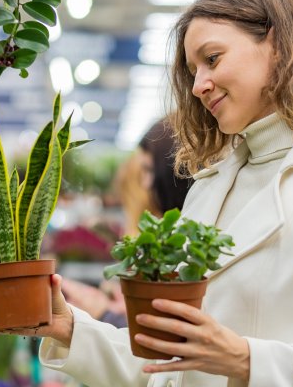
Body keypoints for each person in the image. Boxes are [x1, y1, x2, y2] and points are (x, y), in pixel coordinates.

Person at [0, 0, 293, 387]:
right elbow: (167, 367)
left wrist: (246, 359)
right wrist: (69, 327)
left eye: (212, 59)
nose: (199, 84)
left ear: (277, 45)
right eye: (193, 70)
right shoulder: (210, 185)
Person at [61, 119, 194, 328]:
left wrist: (105, 313)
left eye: (149, 171)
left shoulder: (182, 248)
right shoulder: (172, 240)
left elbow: (162, 335)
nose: (146, 184)